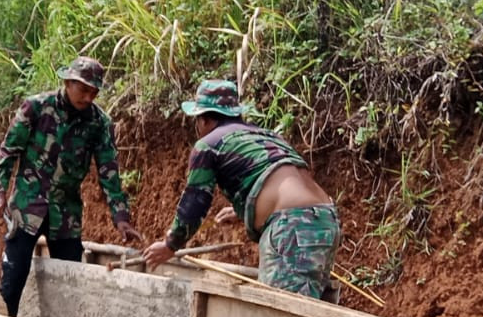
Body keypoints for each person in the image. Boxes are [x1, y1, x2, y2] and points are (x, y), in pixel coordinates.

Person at [143, 80, 339, 299]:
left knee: (281, 312)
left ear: (204, 119)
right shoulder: (268, 136)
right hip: (326, 220)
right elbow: (278, 179)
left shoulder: (209, 144)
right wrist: (244, 211)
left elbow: (195, 201)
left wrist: (170, 245)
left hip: (293, 227)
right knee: (312, 307)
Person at [0, 56, 143, 317]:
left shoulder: (99, 123)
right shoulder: (36, 107)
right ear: (68, 82)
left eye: (94, 92)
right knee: (14, 276)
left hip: (66, 212)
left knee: (71, 281)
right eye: (83, 90)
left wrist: (121, 217)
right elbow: (9, 150)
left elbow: (109, 171)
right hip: (28, 206)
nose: (88, 97)